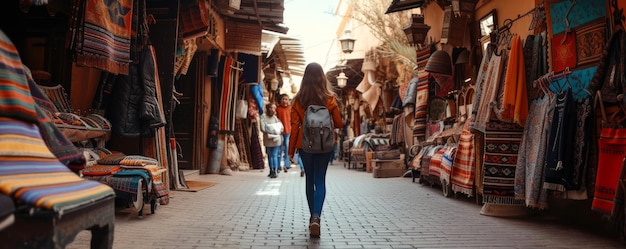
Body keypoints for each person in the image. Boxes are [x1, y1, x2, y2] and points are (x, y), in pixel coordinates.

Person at [288, 62, 343, 238]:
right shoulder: (330, 99)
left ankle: (312, 217)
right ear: (322, 78)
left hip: (304, 146)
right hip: (325, 146)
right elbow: (340, 124)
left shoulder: (298, 101)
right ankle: (316, 217)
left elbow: (294, 128)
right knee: (320, 180)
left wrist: (290, 151)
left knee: (309, 180)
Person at [260, 103, 283, 178]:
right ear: (268, 108)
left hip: (271, 139)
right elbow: (280, 128)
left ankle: (273, 171)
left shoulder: (268, 117)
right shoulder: (271, 117)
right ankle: (273, 171)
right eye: (272, 108)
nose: (274, 110)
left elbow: (263, 128)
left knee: (272, 155)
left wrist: (269, 130)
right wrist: (274, 130)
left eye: (274, 108)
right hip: (273, 139)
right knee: (272, 155)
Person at [276, 94, 292, 173]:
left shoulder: (290, 109)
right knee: (279, 149)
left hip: (288, 131)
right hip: (279, 132)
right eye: (283, 99)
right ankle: (278, 165)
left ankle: (287, 164)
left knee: (287, 148)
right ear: (280, 100)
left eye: (286, 99)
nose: (284, 101)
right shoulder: (278, 109)